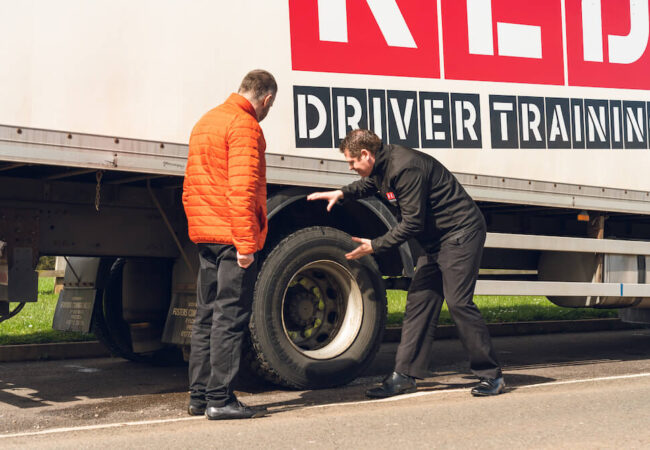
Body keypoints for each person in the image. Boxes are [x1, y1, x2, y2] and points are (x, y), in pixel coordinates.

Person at [307, 129, 505, 398]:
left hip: (460, 234)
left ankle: (491, 376)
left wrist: (375, 245)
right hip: (436, 241)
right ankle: (404, 376)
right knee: (419, 303)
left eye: (352, 162)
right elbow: (369, 186)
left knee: (458, 303)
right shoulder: (382, 166)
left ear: (365, 154)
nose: (351, 167)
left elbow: (412, 223)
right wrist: (341, 193)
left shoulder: (405, 167)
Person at [182, 69, 277, 420]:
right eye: (269, 106)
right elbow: (242, 190)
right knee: (230, 317)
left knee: (206, 315)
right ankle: (220, 399)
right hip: (231, 236)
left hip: (206, 234)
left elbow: (189, 186)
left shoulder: (206, 121)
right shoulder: (244, 125)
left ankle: (199, 396)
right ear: (266, 99)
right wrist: (246, 243)